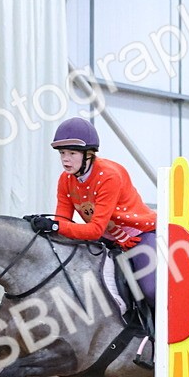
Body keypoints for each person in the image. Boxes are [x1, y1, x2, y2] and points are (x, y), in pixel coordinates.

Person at [26, 117, 157, 306]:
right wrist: (42, 226)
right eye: (62, 153)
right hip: (105, 237)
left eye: (72, 153)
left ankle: (156, 333)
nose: (65, 159)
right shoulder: (65, 180)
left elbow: (93, 229)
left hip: (137, 236)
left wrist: (55, 225)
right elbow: (63, 221)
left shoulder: (109, 176)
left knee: (151, 290)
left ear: (89, 154)